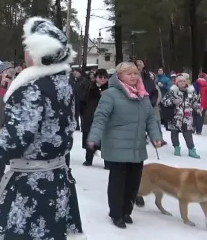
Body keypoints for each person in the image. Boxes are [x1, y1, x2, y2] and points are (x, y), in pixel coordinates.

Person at [0, 17, 85, 239]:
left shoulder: (33, 89)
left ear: (40, 51)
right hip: (58, 180)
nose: (25, 50)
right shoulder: (62, 84)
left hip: (32, 186)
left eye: (29, 46)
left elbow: (14, 141)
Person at [87, 62, 164, 229]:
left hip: (137, 147)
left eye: (135, 73)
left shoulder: (142, 96)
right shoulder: (110, 95)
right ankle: (116, 213)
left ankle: (126, 211)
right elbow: (100, 118)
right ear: (119, 76)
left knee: (133, 183)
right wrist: (93, 137)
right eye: (129, 74)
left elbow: (150, 119)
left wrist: (156, 137)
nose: (133, 76)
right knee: (118, 183)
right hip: (117, 146)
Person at [161, 74, 201, 158]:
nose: (182, 82)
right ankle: (177, 148)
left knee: (188, 134)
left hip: (187, 117)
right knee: (174, 134)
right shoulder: (172, 91)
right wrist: (172, 101)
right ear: (176, 82)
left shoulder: (191, 91)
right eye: (180, 81)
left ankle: (191, 150)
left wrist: (197, 109)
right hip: (175, 117)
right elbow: (163, 102)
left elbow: (195, 102)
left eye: (183, 81)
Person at [80, 69, 109, 168]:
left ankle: (108, 162)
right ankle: (88, 159)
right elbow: (83, 101)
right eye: (100, 77)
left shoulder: (110, 88)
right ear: (96, 78)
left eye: (105, 77)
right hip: (91, 115)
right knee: (90, 136)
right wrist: (84, 113)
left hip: (105, 117)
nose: (102, 79)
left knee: (105, 139)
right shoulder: (90, 87)